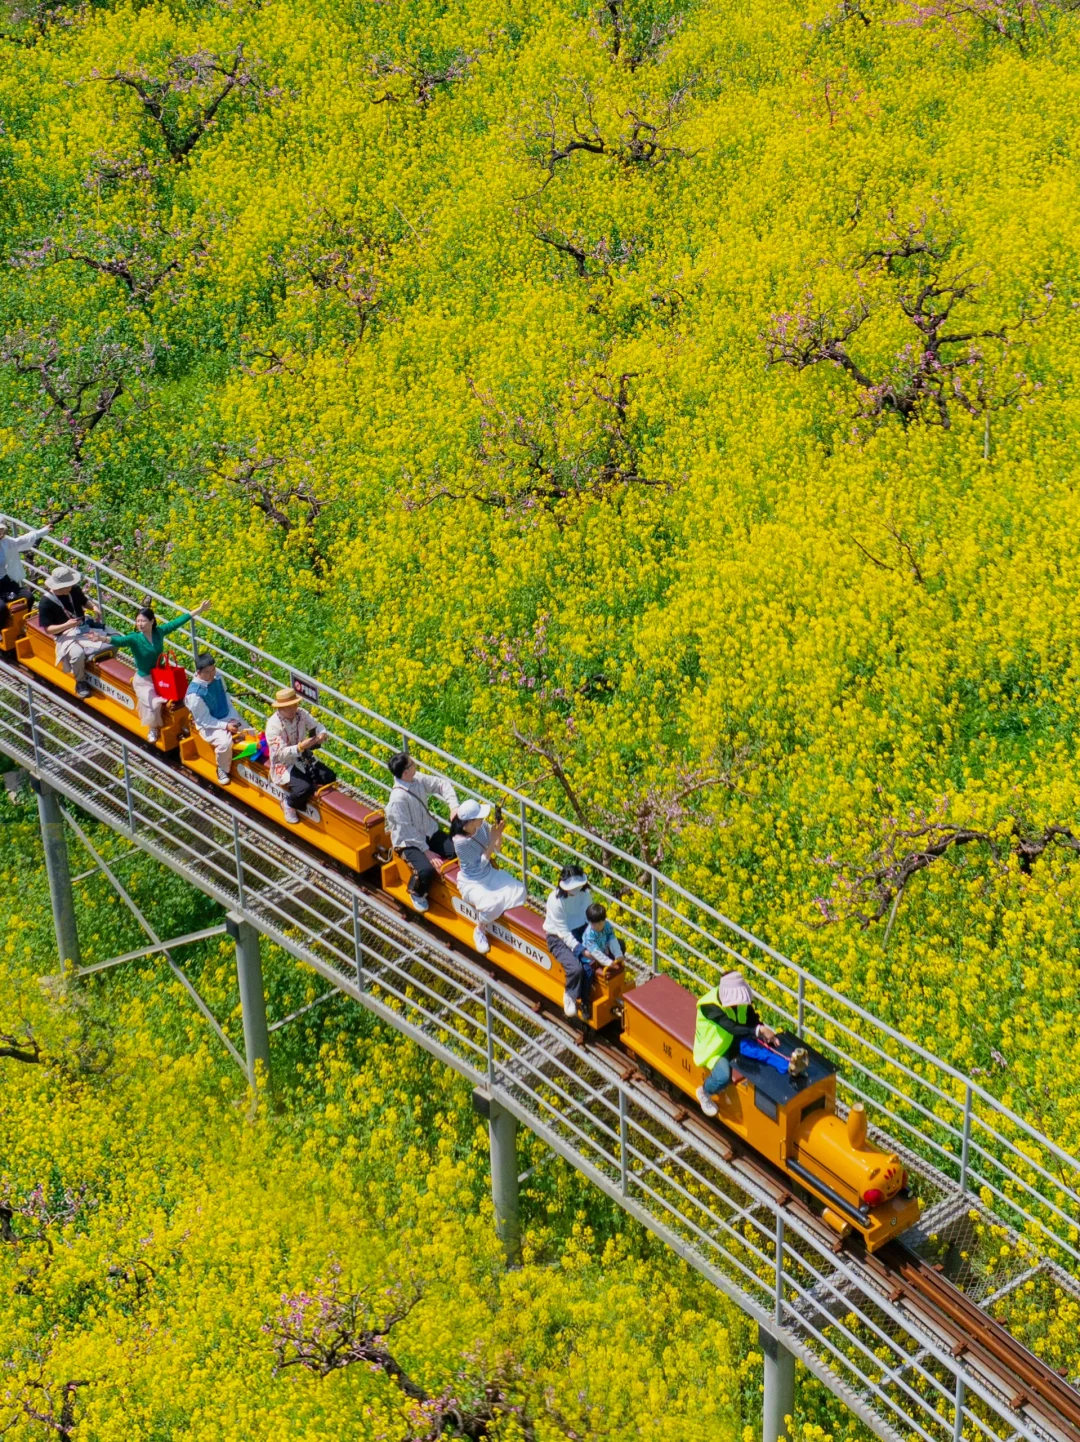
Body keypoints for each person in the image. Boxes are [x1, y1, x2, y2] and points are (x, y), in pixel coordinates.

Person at [108, 599, 211, 743]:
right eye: (138, 621)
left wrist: (198, 610)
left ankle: (191, 723)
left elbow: (176, 623)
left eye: (143, 621)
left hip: (161, 676)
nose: (140, 624)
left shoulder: (159, 632)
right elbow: (120, 641)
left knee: (182, 694)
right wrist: (102, 638)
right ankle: (153, 727)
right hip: (144, 679)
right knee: (154, 704)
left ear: (152, 621)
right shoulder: (135, 638)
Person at [693, 970, 777, 1118]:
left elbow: (751, 1018)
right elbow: (731, 1027)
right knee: (723, 1077)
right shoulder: (709, 1006)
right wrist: (758, 1030)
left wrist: (764, 1032)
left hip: (734, 1040)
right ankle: (705, 1091)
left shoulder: (739, 1002)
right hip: (715, 1048)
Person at [384, 751, 460, 913]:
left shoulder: (416, 779)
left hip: (429, 832)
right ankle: (416, 893)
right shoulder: (397, 799)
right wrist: (428, 852)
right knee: (425, 870)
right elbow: (407, 830)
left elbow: (442, 784)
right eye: (412, 764)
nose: (415, 765)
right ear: (405, 772)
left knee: (457, 850)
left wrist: (453, 806)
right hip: (408, 842)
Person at [450, 799, 527, 955]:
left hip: (489, 874)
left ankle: (495, 918)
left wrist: (498, 835)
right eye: (479, 817)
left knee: (520, 890)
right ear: (470, 822)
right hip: (473, 881)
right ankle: (480, 929)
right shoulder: (460, 842)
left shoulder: (480, 826)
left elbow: (497, 849)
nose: (483, 819)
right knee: (492, 904)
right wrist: (492, 840)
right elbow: (480, 864)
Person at [37, 565, 110, 698]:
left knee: (112, 638)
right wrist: (66, 625)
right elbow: (48, 629)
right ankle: (80, 681)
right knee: (77, 654)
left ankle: (103, 670)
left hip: (83, 626)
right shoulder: (45, 602)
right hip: (64, 633)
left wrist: (94, 607)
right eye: (67, 586)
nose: (70, 588)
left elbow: (84, 601)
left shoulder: (73, 590)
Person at [265, 687, 331, 825]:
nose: (293, 709)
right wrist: (300, 747)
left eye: (295, 705)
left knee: (329, 776)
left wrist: (321, 734)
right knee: (304, 788)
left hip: (303, 757)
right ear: (280, 708)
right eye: (288, 707)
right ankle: (288, 804)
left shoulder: (301, 714)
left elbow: (317, 725)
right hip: (284, 764)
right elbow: (280, 754)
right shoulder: (273, 726)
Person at [544, 864, 595, 1019]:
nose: (574, 890)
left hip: (580, 931)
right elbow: (563, 933)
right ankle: (569, 995)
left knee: (589, 967)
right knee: (575, 969)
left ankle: (585, 1001)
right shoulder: (555, 901)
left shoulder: (585, 895)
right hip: (557, 937)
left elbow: (589, 919)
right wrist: (581, 949)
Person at [186, 652, 244, 784]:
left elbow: (225, 696)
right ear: (199, 672)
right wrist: (225, 726)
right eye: (207, 672)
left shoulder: (217, 677)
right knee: (224, 743)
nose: (212, 674)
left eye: (213, 669)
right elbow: (204, 720)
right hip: (210, 725)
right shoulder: (195, 695)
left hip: (226, 715)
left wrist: (233, 717)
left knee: (249, 733)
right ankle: (222, 769)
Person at [0, 520, 50, 624]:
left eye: (1, 530)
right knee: (1, 608)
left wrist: (44, 531)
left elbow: (22, 540)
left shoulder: (5, 543)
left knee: (28, 597)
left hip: (4, 581)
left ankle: (23, 624)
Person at [581, 901, 624, 969]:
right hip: (591, 959)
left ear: (604, 919)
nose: (597, 927)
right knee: (588, 973)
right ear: (589, 922)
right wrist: (608, 962)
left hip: (603, 951)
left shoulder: (607, 925)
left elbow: (612, 939)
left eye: (600, 924)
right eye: (594, 924)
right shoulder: (589, 935)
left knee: (621, 944)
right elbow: (595, 952)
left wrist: (618, 954)